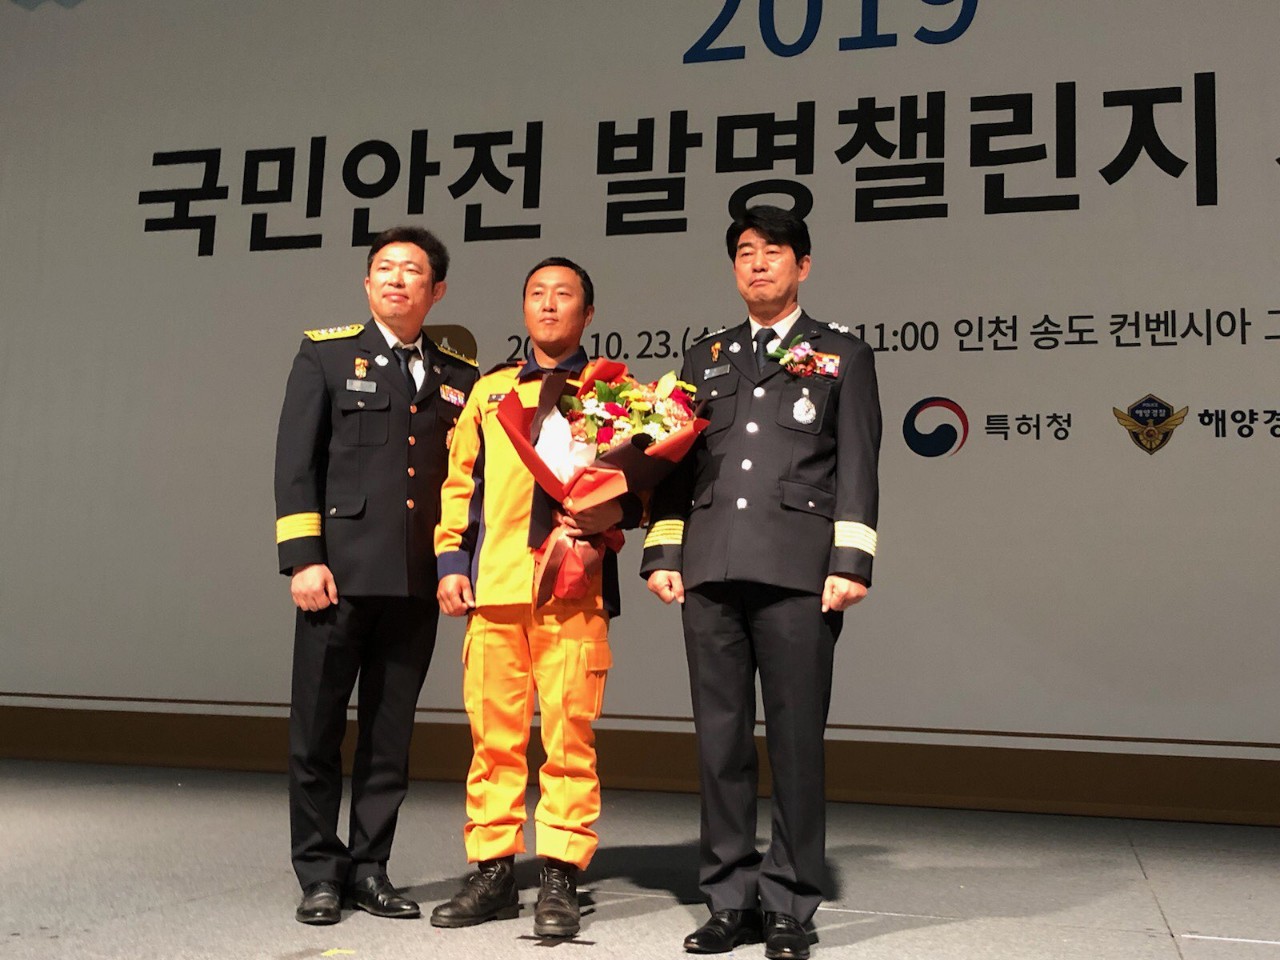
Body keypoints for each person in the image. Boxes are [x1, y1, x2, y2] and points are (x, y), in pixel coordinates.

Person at [641, 205, 881, 960]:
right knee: (720, 743)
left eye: (773, 252)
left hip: (798, 572)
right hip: (710, 568)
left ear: (802, 266)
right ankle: (729, 899)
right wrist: (664, 553)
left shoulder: (842, 353)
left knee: (796, 742)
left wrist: (850, 562)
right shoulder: (704, 355)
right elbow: (673, 464)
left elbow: (858, 464)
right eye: (745, 251)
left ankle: (789, 904)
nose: (757, 263)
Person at [429, 257, 641, 939]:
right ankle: (492, 871)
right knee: (492, 739)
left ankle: (559, 875)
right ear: (524, 308)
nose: (549, 305)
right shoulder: (491, 392)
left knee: (569, 738)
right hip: (495, 589)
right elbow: (461, 483)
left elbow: (640, 486)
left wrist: (614, 513)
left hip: (574, 590)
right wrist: (451, 562)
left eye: (564, 295)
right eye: (537, 294)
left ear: (588, 312)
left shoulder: (616, 392)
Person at [274, 225, 478, 925]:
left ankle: (369, 868)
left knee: (390, 739)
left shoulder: (460, 376)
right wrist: (304, 557)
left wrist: (455, 566)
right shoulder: (326, 355)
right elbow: (296, 464)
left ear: (436, 290)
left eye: (412, 271)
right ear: (367, 284)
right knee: (317, 733)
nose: (396, 279)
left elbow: (465, 484)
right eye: (384, 269)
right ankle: (319, 873)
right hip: (336, 579)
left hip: (415, 584)